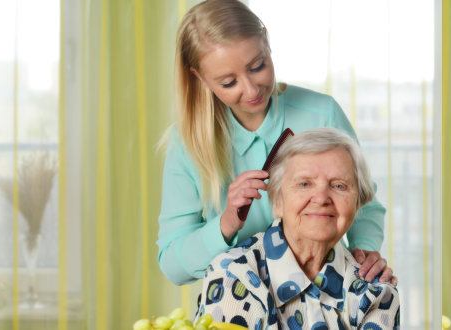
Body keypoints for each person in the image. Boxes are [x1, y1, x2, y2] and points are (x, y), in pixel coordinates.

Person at [157, 0, 394, 286]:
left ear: (267, 42)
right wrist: (227, 221)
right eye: (228, 82)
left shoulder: (322, 113)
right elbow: (173, 265)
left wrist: (365, 250)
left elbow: (364, 203)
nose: (251, 89)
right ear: (200, 79)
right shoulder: (186, 145)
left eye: (257, 66)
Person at [194, 128, 400, 329]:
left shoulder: (376, 291)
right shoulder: (232, 275)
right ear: (277, 202)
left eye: (339, 186)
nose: (321, 198)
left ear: (357, 204)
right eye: (304, 184)